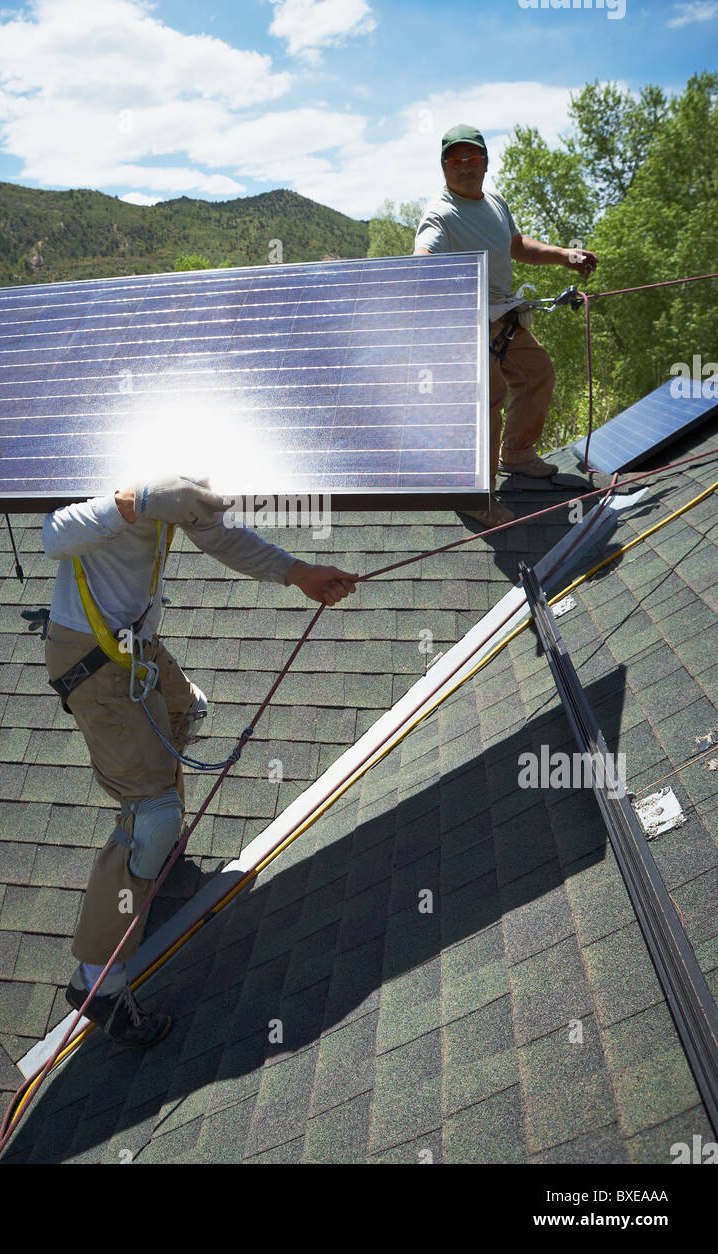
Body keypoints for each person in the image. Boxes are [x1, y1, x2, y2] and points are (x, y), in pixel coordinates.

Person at [42, 476, 358, 1047]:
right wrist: (133, 503)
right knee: (156, 813)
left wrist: (300, 573)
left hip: (132, 643)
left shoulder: (180, 479)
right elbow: (54, 533)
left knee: (188, 714)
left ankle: (155, 859)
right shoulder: (123, 478)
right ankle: (98, 984)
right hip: (91, 656)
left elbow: (225, 539)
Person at [413, 123, 597, 528]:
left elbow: (516, 246)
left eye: (473, 159)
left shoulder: (494, 201)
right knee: (488, 403)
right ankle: (475, 495)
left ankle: (515, 454)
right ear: (443, 167)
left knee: (537, 373)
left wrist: (563, 255)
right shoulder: (440, 215)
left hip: (503, 317)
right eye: (455, 160)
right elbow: (424, 257)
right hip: (468, 324)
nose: (465, 167)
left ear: (485, 163)